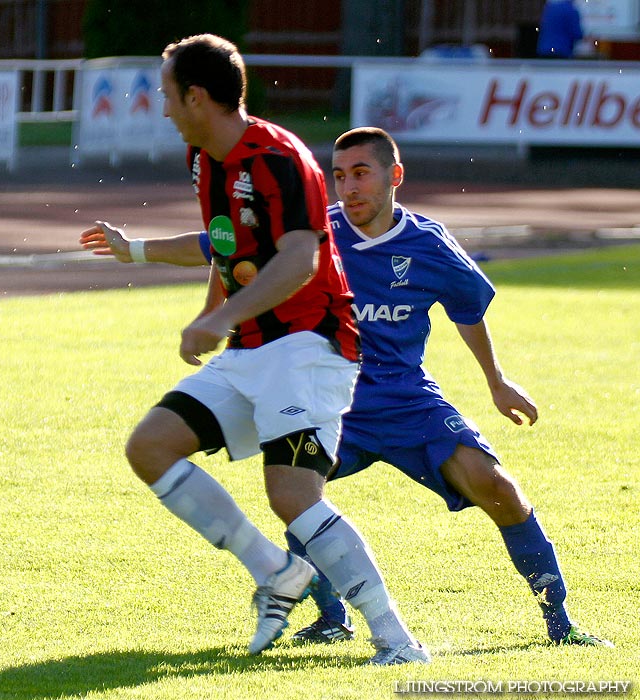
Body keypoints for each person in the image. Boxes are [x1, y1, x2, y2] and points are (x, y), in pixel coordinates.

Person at [79, 126, 611, 649]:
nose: (348, 187)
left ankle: (559, 621)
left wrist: (496, 383)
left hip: (407, 399)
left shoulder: (429, 245)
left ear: (394, 176)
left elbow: (468, 310)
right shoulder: (313, 233)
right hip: (330, 398)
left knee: (498, 488)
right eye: (338, 176)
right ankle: (332, 618)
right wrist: (140, 253)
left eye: (361, 173)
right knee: (300, 497)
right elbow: (221, 246)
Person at [82, 34, 429, 665]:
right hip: (250, 348)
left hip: (310, 346)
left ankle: (398, 640)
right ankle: (277, 572)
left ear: (196, 96)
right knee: (150, 447)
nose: (161, 106)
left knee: (293, 497)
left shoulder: (279, 157)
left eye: (167, 93)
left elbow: (300, 258)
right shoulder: (202, 157)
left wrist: (221, 317)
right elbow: (224, 242)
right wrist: (135, 250)